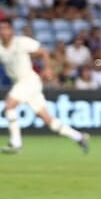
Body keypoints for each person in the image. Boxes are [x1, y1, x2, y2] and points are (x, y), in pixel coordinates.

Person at [0, 18, 89, 154]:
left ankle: (16, 143)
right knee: (48, 120)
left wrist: (47, 68)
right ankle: (78, 136)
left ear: (11, 30)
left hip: (29, 80)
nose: (3, 31)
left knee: (10, 105)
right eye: (1, 28)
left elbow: (43, 51)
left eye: (6, 28)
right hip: (20, 83)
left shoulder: (21, 42)